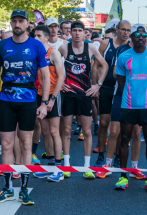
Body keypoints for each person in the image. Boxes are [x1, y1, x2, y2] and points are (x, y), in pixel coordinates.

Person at [0, 10, 50, 206]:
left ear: (27, 24)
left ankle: (24, 189)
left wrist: (45, 103)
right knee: (6, 145)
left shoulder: (37, 45)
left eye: (20, 21)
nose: (17, 24)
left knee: (25, 144)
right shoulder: (1, 45)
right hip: (6, 99)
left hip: (28, 99)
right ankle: (7, 188)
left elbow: (46, 77)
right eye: (14, 21)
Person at [114, 26, 147, 192]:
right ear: (132, 38)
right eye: (138, 35)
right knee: (124, 139)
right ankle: (123, 176)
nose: (141, 38)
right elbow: (120, 82)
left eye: (145, 35)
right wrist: (131, 94)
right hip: (128, 105)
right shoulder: (123, 57)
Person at [58, 20, 108, 177]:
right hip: (68, 94)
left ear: (84, 32)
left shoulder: (90, 47)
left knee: (86, 131)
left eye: (80, 30)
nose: (77, 33)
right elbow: (51, 63)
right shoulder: (64, 47)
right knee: (66, 131)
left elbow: (104, 65)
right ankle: (66, 165)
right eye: (75, 30)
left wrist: (98, 85)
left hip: (85, 94)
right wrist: (60, 84)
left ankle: (86, 166)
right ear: (70, 32)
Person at [93, 20, 130, 173]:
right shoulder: (105, 44)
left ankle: (115, 155)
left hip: (121, 90)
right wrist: (94, 85)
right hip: (106, 88)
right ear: (117, 29)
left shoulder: (130, 46)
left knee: (119, 127)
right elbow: (95, 65)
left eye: (128, 30)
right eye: (123, 29)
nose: (125, 33)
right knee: (103, 123)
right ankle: (101, 154)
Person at [31, 25, 65, 181]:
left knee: (54, 132)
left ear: (46, 37)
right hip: (39, 95)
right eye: (34, 36)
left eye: (38, 36)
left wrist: (52, 99)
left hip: (53, 96)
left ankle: (58, 169)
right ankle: (50, 165)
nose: (35, 38)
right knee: (44, 132)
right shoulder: (34, 53)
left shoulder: (54, 52)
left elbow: (61, 77)